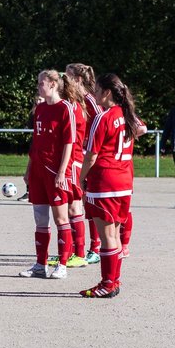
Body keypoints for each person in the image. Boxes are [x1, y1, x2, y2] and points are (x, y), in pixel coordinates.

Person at [78, 73, 138, 298]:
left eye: (96, 89)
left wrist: (79, 178)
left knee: (107, 238)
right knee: (114, 236)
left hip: (104, 182)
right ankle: (113, 281)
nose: (93, 93)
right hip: (124, 182)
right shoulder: (129, 115)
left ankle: (107, 283)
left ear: (107, 93)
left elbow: (91, 155)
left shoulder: (103, 118)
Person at [18, 70, 78, 280]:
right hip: (38, 171)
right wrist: (28, 168)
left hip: (55, 172)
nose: (38, 86)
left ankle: (62, 264)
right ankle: (39, 264)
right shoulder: (40, 108)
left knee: (61, 218)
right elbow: (36, 140)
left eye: (41, 83)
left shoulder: (65, 108)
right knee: (40, 219)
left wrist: (62, 172)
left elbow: (69, 143)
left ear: (53, 84)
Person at [65, 63, 102, 264]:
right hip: (81, 155)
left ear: (78, 79)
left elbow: (100, 122)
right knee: (81, 202)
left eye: (68, 75)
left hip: (90, 157)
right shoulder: (75, 100)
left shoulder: (90, 99)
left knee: (89, 202)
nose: (65, 79)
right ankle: (75, 248)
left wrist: (92, 146)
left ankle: (95, 247)